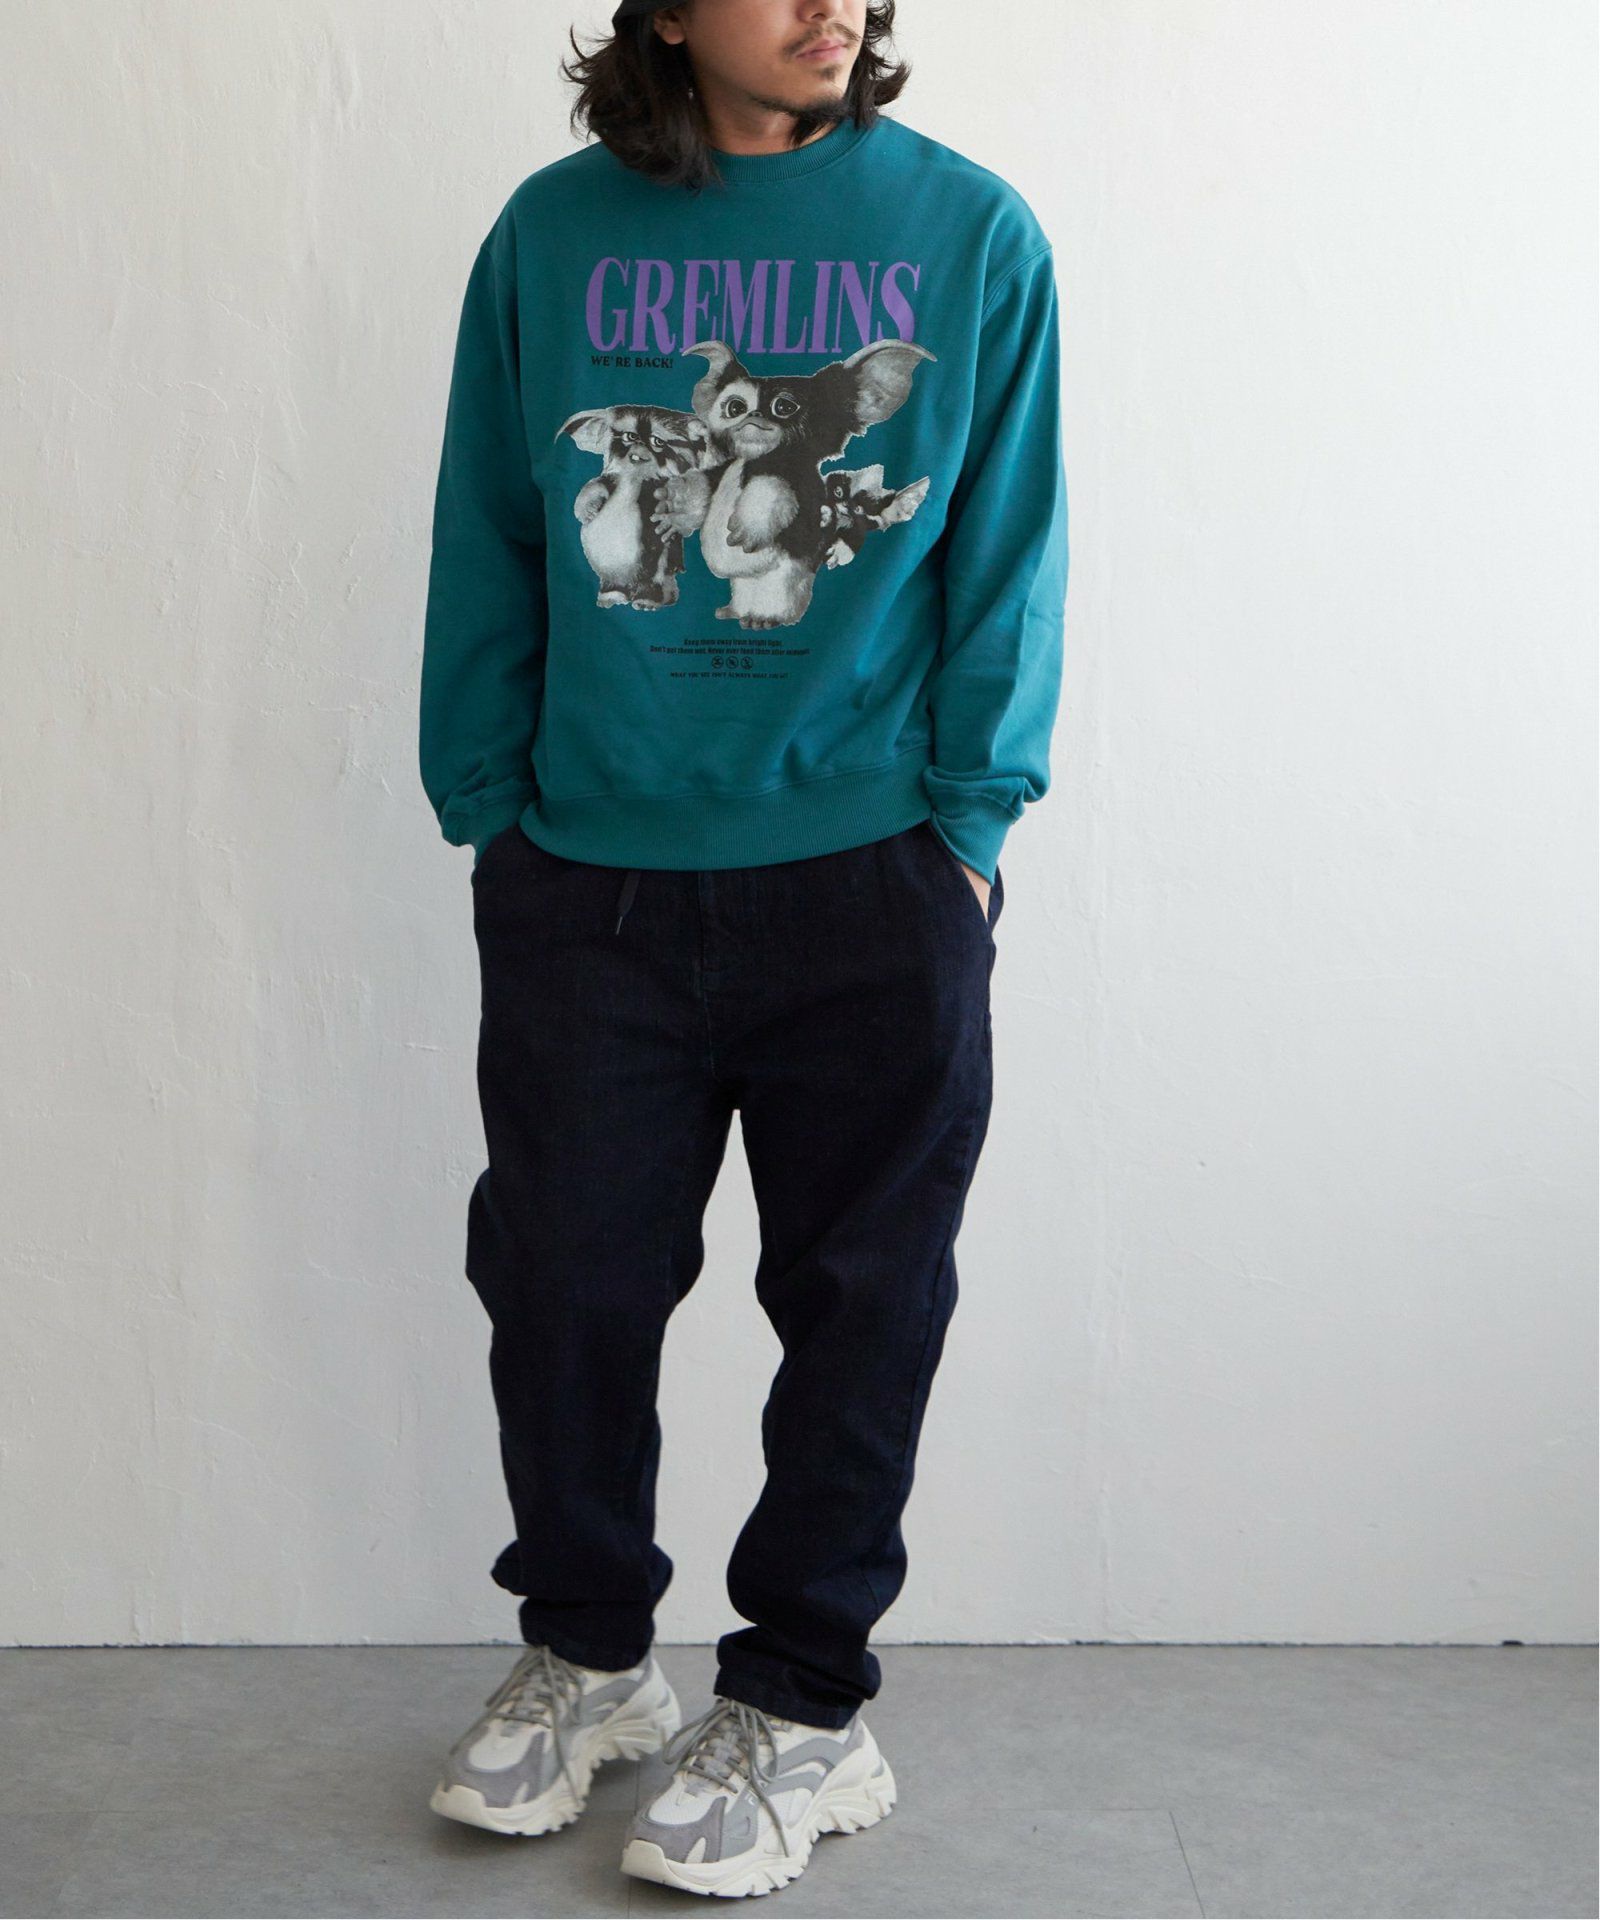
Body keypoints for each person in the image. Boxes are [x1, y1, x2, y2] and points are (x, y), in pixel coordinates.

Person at [417, 0, 1068, 1898]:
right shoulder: (552, 235)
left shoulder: (970, 233)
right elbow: (489, 520)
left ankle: (801, 1704)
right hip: (589, 878)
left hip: (870, 870)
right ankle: (590, 1656)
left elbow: (1007, 548)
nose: (831, 5)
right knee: (564, 1285)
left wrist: (969, 833)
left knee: (863, 1305)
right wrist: (489, 800)